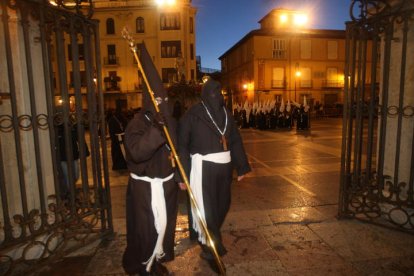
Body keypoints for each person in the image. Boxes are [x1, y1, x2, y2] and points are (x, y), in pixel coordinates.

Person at [177, 78, 251, 272]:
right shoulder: (192, 115)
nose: (216, 96)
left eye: (219, 93)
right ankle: (212, 249)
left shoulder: (226, 114)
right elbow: (182, 146)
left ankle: (209, 235)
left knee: (223, 206)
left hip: (224, 168)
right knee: (208, 209)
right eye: (212, 93)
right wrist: (182, 175)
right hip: (203, 169)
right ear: (204, 95)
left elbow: (234, 140)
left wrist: (241, 167)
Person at [122, 43, 179, 276]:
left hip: (167, 185)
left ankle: (156, 260)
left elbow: (177, 150)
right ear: (149, 104)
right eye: (159, 101)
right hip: (145, 189)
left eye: (165, 100)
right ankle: (143, 265)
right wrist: (155, 131)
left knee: (164, 228)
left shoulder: (169, 120)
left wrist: (180, 175)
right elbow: (135, 152)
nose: (163, 105)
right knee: (146, 231)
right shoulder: (136, 123)